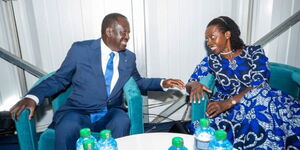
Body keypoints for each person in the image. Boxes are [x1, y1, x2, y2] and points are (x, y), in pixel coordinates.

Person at [10, 13, 185, 150]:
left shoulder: (128, 58)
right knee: (67, 126)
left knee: (122, 121)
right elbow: (60, 78)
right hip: (78, 111)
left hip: (110, 112)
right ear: (109, 31)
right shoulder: (81, 50)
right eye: (124, 32)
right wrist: (32, 97)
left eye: (128, 32)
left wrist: (163, 82)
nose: (127, 36)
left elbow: (138, 82)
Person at [186, 16, 300, 149]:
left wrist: (228, 103)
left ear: (227, 34)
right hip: (231, 111)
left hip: (258, 99)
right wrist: (195, 85)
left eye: (212, 37)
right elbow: (190, 82)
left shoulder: (253, 52)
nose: (209, 42)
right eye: (207, 39)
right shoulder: (210, 61)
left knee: (261, 100)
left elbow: (260, 83)